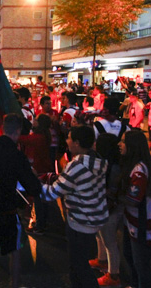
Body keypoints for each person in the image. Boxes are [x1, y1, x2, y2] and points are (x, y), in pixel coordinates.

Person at [0, 113, 41, 288]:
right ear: (18, 131)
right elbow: (33, 187)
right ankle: (14, 285)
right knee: (15, 251)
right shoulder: (16, 155)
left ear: (3, 128)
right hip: (7, 211)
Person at [41, 125, 108, 288]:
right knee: (79, 263)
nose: (67, 141)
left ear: (77, 143)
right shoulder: (98, 161)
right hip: (93, 218)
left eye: (69, 138)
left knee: (79, 266)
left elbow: (52, 193)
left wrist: (33, 184)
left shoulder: (77, 165)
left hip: (80, 221)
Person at [119, 130, 151, 288]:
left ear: (133, 146)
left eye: (123, 141)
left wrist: (114, 196)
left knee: (140, 264)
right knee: (129, 256)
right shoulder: (134, 166)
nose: (120, 144)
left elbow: (133, 199)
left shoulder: (139, 171)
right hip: (133, 221)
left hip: (143, 224)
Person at [90, 133, 124, 287]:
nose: (95, 144)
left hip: (110, 208)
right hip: (103, 205)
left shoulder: (114, 167)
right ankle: (101, 260)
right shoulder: (106, 163)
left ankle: (113, 275)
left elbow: (112, 191)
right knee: (100, 235)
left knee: (110, 240)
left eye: (98, 142)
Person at [19, 114, 54, 234]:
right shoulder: (44, 135)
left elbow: (23, 139)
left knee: (39, 198)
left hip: (39, 170)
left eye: (36, 120)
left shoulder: (38, 137)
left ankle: (39, 226)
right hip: (43, 168)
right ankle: (43, 222)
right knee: (42, 198)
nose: (33, 121)